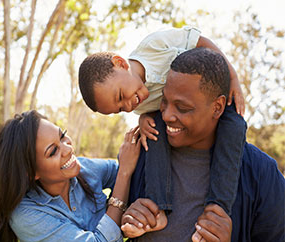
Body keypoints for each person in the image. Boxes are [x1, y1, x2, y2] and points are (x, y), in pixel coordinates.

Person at [78, 26, 247, 219]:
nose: (128, 105)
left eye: (120, 96)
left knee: (235, 126)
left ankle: (218, 207)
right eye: (121, 109)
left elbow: (200, 41)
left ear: (120, 63)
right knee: (152, 133)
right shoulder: (139, 104)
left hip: (211, 96)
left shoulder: (153, 46)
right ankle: (157, 206)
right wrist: (143, 119)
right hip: (181, 119)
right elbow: (151, 111)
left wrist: (232, 77)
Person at [121, 48, 285, 242]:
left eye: (182, 108)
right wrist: (127, 222)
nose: (166, 116)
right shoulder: (143, 153)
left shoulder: (260, 173)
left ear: (217, 107)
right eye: (164, 102)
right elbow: (108, 223)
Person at [0, 110, 150, 241]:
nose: (68, 149)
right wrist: (124, 175)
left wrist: (145, 119)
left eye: (62, 136)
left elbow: (136, 175)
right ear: (31, 173)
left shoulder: (84, 169)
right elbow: (125, 173)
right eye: (53, 151)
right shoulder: (26, 215)